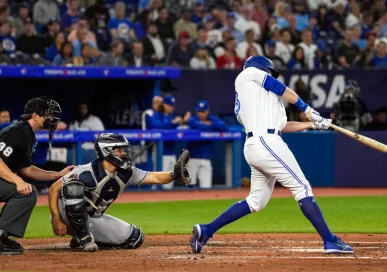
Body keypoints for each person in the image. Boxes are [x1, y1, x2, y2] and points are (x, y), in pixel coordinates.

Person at [190, 56, 353, 254]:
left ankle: (206, 230)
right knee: (302, 187)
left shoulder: (264, 99)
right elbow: (280, 88)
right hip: (266, 143)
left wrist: (313, 123)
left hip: (259, 144)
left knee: (255, 202)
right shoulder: (247, 74)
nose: (269, 75)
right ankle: (330, 240)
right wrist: (307, 109)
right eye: (268, 71)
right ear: (259, 68)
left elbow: (283, 126)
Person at [48, 133, 191, 251]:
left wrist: (174, 175)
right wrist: (56, 218)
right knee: (73, 187)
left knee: (135, 238)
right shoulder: (85, 171)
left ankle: (81, 236)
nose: (124, 153)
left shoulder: (126, 173)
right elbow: (54, 188)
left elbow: (154, 177)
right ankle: (85, 239)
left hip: (92, 218)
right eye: (120, 149)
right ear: (107, 151)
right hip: (65, 216)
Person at [0, 96, 74, 255]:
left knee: (26, 192)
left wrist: (57, 174)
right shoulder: (18, 131)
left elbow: (26, 169)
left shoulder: (26, 133)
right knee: (25, 193)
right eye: (47, 114)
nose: (51, 118)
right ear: (35, 115)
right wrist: (18, 181)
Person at [148, 95, 190, 189]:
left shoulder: (171, 116)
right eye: (170, 105)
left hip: (171, 152)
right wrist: (173, 122)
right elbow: (155, 127)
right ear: (164, 105)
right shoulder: (157, 115)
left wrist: (182, 122)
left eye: (173, 106)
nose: (172, 108)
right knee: (159, 182)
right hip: (160, 153)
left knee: (169, 183)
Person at [187, 100, 228, 188]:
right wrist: (210, 126)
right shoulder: (193, 119)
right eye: (199, 111)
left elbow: (224, 126)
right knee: (190, 186)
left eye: (203, 111)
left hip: (206, 159)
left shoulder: (211, 118)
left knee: (206, 187)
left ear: (207, 111)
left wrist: (210, 124)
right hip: (193, 158)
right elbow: (197, 125)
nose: (200, 113)